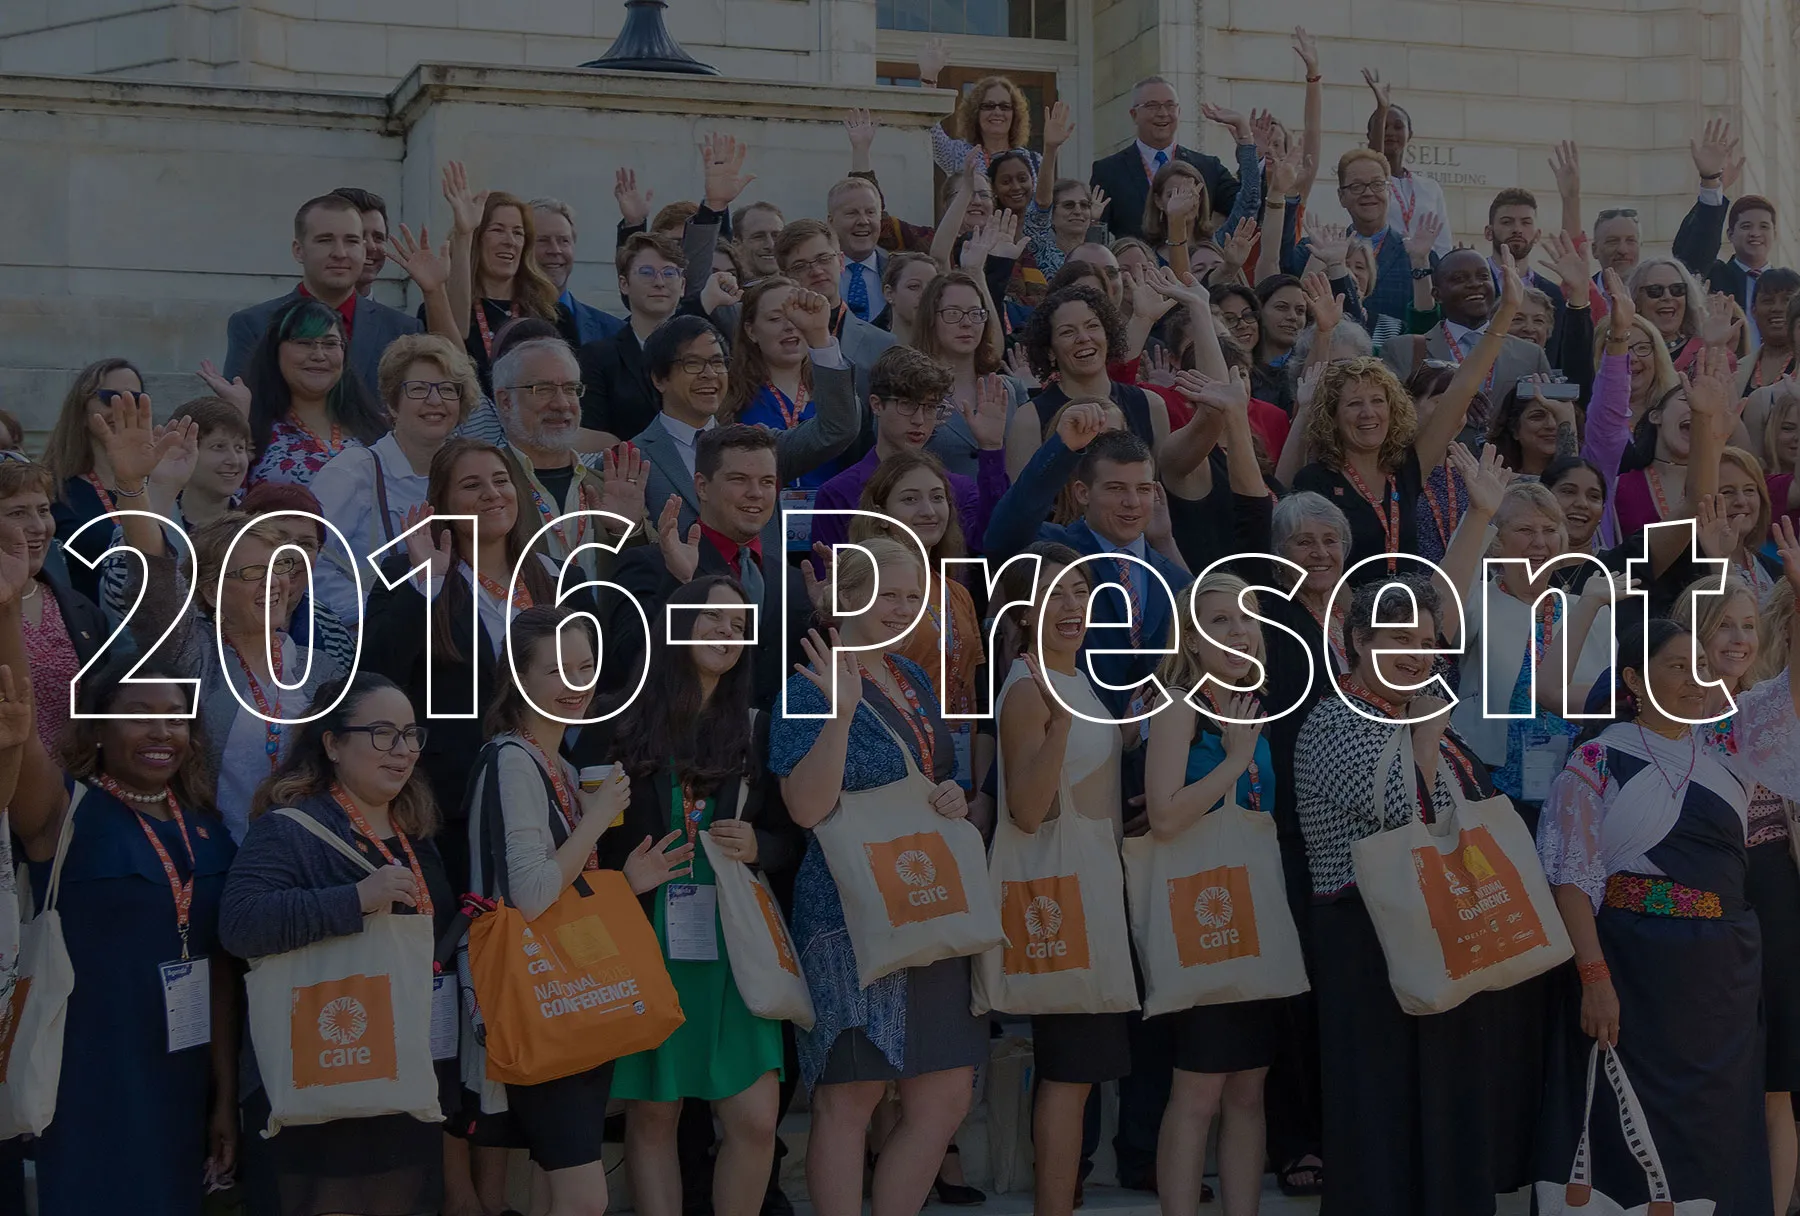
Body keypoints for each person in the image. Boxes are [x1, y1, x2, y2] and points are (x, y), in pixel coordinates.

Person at [1537, 562, 1800, 1214]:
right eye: (1675, 666)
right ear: (1632, 679)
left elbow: (1794, 694)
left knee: (1718, 1127)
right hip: (1632, 967)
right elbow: (1573, 878)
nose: (1693, 679)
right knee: (1631, 1128)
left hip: (1722, 971)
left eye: (1698, 665)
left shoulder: (1731, 746)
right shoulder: (1597, 757)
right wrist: (1594, 977)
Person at [1294, 573, 1540, 1216]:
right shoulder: (1336, 718)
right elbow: (1407, 813)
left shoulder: (1416, 712)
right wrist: (1428, 741)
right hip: (1366, 937)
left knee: (1450, 1097)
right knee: (1380, 1104)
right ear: (1356, 641)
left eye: (1429, 641)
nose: (1418, 652)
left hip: (1439, 925)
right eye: (1399, 637)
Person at [769, 538, 986, 1216]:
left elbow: (933, 776)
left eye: (912, 597)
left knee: (947, 1092)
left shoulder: (913, 677)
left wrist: (955, 797)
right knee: (849, 1097)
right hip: (848, 913)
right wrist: (840, 713)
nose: (901, 609)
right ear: (847, 597)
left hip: (928, 899)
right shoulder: (806, 682)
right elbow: (805, 806)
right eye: (887, 594)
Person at [463, 607, 673, 1216]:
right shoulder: (513, 759)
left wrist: (624, 881)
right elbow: (531, 893)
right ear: (518, 678)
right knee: (582, 1195)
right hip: (540, 998)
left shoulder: (554, 762)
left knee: (562, 1187)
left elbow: (560, 885)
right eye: (555, 670)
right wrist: (598, 816)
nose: (574, 684)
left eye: (583, 668)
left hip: (563, 996)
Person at [220, 673, 453, 1216]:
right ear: (331, 743)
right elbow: (240, 923)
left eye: (411, 735)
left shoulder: (413, 828)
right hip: (323, 1068)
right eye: (381, 734)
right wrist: (354, 899)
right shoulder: (291, 828)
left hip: (400, 1065)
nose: (402, 750)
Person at [597, 577, 792, 1216]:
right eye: (711, 619)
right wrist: (626, 875)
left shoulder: (758, 726)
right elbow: (577, 836)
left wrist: (762, 844)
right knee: (654, 1115)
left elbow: (800, 837)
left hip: (734, 941)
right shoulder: (618, 722)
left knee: (757, 1118)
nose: (725, 635)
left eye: (738, 626)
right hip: (650, 931)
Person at [1144, 569, 1290, 1216]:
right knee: (1199, 1090)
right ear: (1193, 640)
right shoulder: (1179, 704)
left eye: (1247, 617)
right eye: (1220, 620)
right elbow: (1164, 816)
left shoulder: (1256, 703)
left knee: (1249, 1090)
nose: (1239, 630)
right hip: (1199, 918)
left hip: (1256, 913)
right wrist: (1233, 760)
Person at [362, 438, 566, 890]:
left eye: (501, 480)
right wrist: (426, 586)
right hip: (454, 801)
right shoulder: (405, 574)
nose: (493, 493)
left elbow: (596, 682)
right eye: (472, 485)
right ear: (444, 504)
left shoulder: (557, 576)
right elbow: (375, 674)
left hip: (550, 792)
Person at [992, 543, 1127, 1216]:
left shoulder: (1072, 672)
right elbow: (1026, 808)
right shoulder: (1027, 684)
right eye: (1054, 595)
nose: (1071, 605)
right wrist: (1063, 731)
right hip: (1062, 893)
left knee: (1082, 1074)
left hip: (1094, 887)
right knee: (1069, 1074)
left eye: (1079, 589)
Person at [1671, 573, 1800, 1212]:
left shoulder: (1764, 709)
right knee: (1708, 1076)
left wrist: (1798, 595)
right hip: (1692, 905)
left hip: (1770, 897)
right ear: (1690, 635)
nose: (1739, 638)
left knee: (1776, 1082)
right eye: (1723, 623)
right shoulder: (1657, 719)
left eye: (1749, 625)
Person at [1288, 260, 1518, 578]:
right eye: (1354, 404)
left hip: (1411, 617)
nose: (1368, 413)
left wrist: (1505, 312)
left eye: (1378, 401)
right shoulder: (1316, 480)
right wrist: (1324, 335)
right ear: (1333, 416)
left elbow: (1462, 387)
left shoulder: (1406, 469)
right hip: (1349, 620)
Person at [984, 408, 1189, 716]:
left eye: (1143, 489)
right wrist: (1063, 448)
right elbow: (1003, 535)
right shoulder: (1053, 548)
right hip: (1062, 742)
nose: (1132, 502)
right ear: (1082, 492)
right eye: (1116, 488)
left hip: (1153, 755)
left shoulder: (1177, 581)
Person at [611, 426, 814, 706]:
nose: (756, 493)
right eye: (739, 480)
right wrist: (678, 583)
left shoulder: (794, 582)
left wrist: (829, 621)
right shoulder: (651, 565)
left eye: (767, 482)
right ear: (702, 487)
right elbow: (626, 666)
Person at [848, 451, 990, 799]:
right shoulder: (869, 590)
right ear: (881, 516)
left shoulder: (957, 592)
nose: (929, 510)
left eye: (937, 497)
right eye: (910, 499)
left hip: (960, 775)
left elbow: (978, 694)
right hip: (896, 765)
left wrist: (985, 792)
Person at [311, 333, 481, 622]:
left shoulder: (470, 475)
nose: (435, 400)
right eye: (418, 389)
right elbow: (309, 562)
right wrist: (379, 613)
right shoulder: (352, 473)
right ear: (392, 403)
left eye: (448, 389)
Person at [222, 192, 422, 398]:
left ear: (363, 250)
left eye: (351, 241)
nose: (340, 253)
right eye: (325, 240)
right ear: (298, 250)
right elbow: (238, 420)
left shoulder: (403, 331)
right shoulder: (254, 324)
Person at [812, 346, 1007, 556]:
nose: (919, 420)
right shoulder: (838, 494)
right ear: (877, 405)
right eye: (907, 405)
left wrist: (991, 447)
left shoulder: (959, 489)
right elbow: (828, 579)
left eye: (930, 407)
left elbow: (991, 543)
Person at [208, 295, 391, 489]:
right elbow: (221, 501)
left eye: (330, 344)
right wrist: (237, 418)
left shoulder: (380, 430)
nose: (319, 355)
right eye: (304, 343)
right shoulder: (253, 428)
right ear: (275, 351)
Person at [492, 336, 642, 572]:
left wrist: (629, 532)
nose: (561, 404)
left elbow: (645, 582)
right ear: (505, 401)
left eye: (571, 389)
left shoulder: (608, 487)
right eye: (543, 389)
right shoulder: (485, 490)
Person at [0, 458, 108, 755]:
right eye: (18, 512)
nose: (38, 527)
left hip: (69, 790)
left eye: (44, 510)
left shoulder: (81, 611)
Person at [1007, 283, 1171, 472]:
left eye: (1092, 326)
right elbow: (1022, 499)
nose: (1083, 338)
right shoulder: (1028, 419)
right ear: (1050, 351)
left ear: (1107, 336)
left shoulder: (1152, 405)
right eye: (1067, 332)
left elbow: (1161, 487)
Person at [723, 278, 862, 499]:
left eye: (796, 316)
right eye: (775, 318)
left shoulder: (835, 388)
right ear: (751, 331)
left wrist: (820, 337)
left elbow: (842, 431)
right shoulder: (729, 394)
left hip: (829, 520)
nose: (789, 326)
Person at [440, 173, 562, 394]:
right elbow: (454, 335)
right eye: (497, 230)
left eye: (518, 233)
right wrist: (464, 234)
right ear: (477, 238)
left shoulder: (548, 313)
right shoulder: (443, 308)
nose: (510, 242)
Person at [43, 355, 147, 603]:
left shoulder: (161, 486)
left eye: (134, 399)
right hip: (88, 633)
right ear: (81, 408)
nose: (123, 408)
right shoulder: (53, 491)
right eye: (110, 398)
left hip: (154, 631)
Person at [1090, 76, 1241, 242]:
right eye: (1152, 106)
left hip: (1193, 265)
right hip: (1137, 265)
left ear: (1179, 112)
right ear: (1134, 115)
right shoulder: (1109, 171)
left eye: (1170, 106)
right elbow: (1097, 235)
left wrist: (1248, 145)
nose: (1163, 113)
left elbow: (1246, 208)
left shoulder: (1207, 167)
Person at [1381, 247, 1553, 387]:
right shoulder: (1403, 351)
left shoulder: (1530, 355)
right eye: (1459, 279)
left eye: (1483, 276)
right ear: (1437, 294)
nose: (1475, 284)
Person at [576, 233, 691, 441]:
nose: (659, 282)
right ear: (624, 284)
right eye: (647, 272)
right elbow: (590, 432)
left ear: (682, 285)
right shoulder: (598, 357)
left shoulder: (705, 352)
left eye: (669, 273)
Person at [1283, 149, 1413, 330]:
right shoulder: (1313, 249)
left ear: (1389, 191)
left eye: (1377, 184)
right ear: (1341, 197)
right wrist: (1289, 194)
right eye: (1356, 186)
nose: (1368, 193)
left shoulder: (1414, 256)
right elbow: (1278, 266)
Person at [1673, 118, 1775, 324]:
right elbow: (1687, 255)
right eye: (1746, 226)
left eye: (1764, 226)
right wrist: (1711, 186)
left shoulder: (1790, 284)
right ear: (1730, 234)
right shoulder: (1714, 276)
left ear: (1775, 234)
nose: (1755, 233)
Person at [774, 218, 900, 385]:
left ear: (840, 262)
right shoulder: (773, 336)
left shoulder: (880, 343)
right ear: (785, 277)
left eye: (824, 258)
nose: (816, 271)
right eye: (800, 266)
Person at [917, 44, 1041, 181]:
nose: (997, 112)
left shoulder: (1032, 161)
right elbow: (931, 130)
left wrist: (1052, 147)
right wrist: (929, 79)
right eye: (989, 106)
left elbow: (1044, 201)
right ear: (975, 112)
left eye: (1005, 106)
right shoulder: (960, 153)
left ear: (1015, 114)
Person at [1363, 72, 1452, 258]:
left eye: (1398, 126)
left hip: (1425, 269)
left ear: (1409, 134)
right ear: (1370, 135)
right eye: (1383, 127)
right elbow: (1374, 162)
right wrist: (1382, 109)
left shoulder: (1430, 187)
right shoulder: (1370, 184)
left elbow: (1443, 243)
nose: (1390, 132)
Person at [529, 197, 627, 346]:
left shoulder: (613, 332)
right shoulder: (499, 322)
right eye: (542, 240)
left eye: (564, 241)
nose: (555, 250)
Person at [1627, 254, 1729, 374]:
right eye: (1655, 291)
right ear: (1637, 301)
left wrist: (1716, 349)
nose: (1667, 297)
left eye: (1677, 289)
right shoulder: (1620, 352)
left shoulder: (1707, 348)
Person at [828, 177, 888, 325]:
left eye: (870, 212)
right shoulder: (817, 275)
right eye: (852, 213)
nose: (863, 221)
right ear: (831, 222)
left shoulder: (900, 273)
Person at [1738, 267, 1799, 397]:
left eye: (1787, 300)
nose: (1777, 308)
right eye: (1767, 301)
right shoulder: (1738, 370)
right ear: (1753, 311)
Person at [331, 185, 391, 298]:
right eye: (357, 237)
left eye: (378, 238)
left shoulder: (394, 316)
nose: (371, 246)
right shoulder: (289, 314)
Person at [877, 250, 938, 344]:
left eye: (932, 287)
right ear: (889, 293)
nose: (926, 295)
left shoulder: (952, 353)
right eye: (914, 286)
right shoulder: (872, 352)